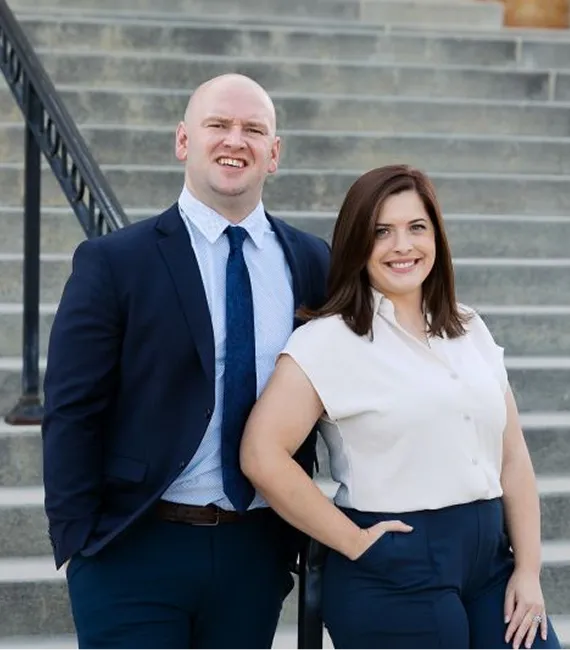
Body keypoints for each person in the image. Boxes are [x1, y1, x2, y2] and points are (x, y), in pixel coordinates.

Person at [42, 73, 330, 650]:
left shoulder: (311, 261)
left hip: (255, 550)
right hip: (134, 546)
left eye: (253, 129)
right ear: (183, 141)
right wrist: (82, 542)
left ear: (273, 154)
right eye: (217, 125)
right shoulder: (114, 262)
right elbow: (72, 409)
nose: (235, 140)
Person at [240, 164, 561, 650]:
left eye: (417, 227)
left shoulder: (469, 326)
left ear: (437, 235)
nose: (402, 246)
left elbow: (512, 455)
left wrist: (530, 570)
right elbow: (261, 454)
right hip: (394, 568)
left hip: (491, 562)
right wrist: (351, 541)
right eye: (381, 232)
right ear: (356, 243)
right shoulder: (328, 340)